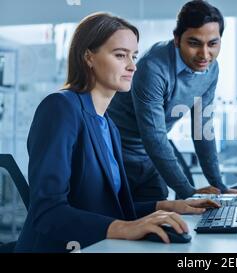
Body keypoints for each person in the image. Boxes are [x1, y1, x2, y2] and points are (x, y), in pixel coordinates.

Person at [14, 12, 218, 253]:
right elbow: (48, 211)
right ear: (88, 56)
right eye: (120, 55)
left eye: (134, 56)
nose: (132, 66)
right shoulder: (61, 107)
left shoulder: (108, 125)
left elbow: (104, 209)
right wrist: (125, 228)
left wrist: (169, 205)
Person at [108, 0, 237, 202]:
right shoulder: (153, 67)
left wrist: (220, 186)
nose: (204, 54)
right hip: (119, 149)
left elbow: (203, 129)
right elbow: (154, 137)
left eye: (212, 43)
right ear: (177, 39)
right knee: (139, 209)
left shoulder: (210, 68)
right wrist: (188, 192)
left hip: (153, 146)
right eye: (194, 43)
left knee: (179, 201)